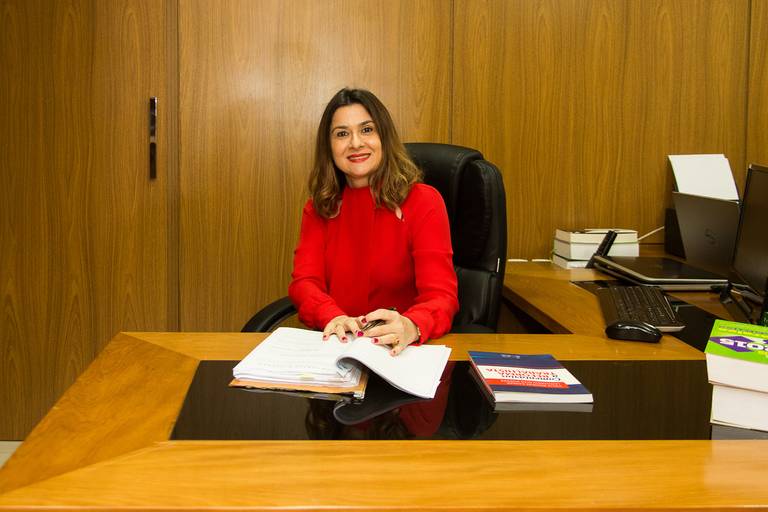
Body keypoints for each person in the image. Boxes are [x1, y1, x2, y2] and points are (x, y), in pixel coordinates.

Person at [288, 87, 458, 356]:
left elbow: (441, 296)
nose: (355, 143)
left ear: (384, 137)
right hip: (339, 352)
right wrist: (332, 316)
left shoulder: (424, 202)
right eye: (342, 134)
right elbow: (304, 283)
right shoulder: (320, 207)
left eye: (367, 130)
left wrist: (412, 325)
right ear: (329, 147)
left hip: (402, 354)